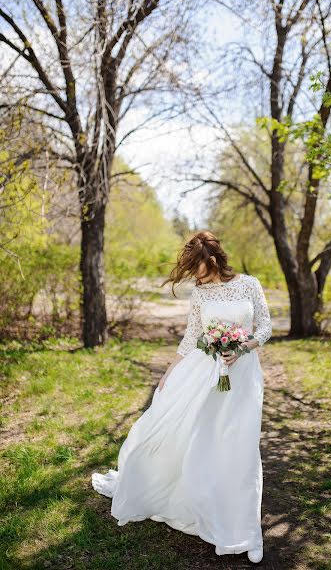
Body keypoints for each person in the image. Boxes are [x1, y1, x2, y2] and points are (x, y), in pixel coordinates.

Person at [91, 231, 272, 563]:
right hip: (206, 374)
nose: (196, 275)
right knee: (206, 439)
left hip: (244, 375)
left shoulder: (250, 283)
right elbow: (193, 336)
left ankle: (245, 529)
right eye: (192, 270)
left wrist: (242, 349)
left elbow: (265, 327)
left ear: (214, 259)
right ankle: (208, 506)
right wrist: (169, 370)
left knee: (241, 444)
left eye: (200, 268)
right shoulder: (200, 294)